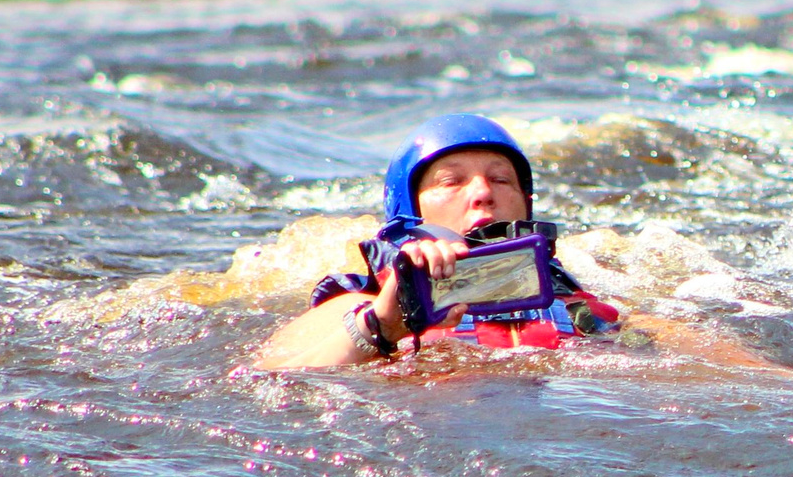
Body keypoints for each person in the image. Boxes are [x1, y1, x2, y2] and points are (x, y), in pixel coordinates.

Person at [257, 114, 626, 370]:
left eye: (500, 180)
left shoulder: (585, 311)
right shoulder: (361, 304)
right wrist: (382, 327)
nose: (482, 192)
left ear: (525, 204)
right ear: (411, 209)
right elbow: (274, 380)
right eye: (452, 182)